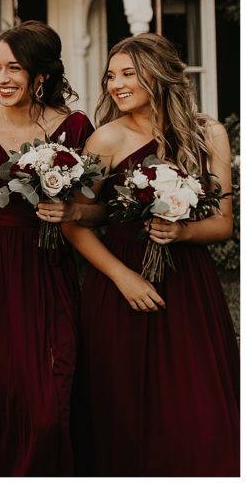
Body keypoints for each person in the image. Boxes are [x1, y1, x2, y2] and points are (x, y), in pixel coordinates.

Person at [61, 34, 238, 475]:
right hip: (119, 286)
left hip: (188, 287)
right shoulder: (106, 138)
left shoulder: (208, 133)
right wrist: (124, 278)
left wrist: (182, 230)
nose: (115, 84)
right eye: (111, 76)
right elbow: (74, 221)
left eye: (128, 73)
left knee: (198, 411)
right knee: (124, 416)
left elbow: (223, 223)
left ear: (159, 75)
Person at [0, 21, 95, 475]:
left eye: (15, 68)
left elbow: (98, 209)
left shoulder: (75, 127)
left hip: (47, 266)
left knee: (49, 399)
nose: (1, 78)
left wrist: (71, 215)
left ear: (41, 75)